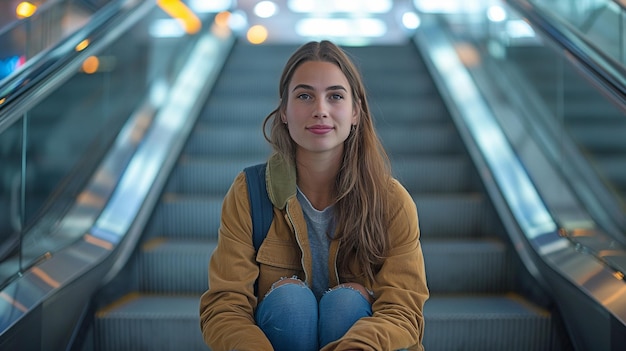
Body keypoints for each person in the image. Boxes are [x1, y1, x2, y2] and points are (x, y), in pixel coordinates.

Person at [199, 40, 429, 351]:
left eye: (335, 96)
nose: (320, 110)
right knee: (290, 300)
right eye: (305, 96)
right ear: (284, 111)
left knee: (346, 304)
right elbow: (225, 306)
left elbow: (403, 311)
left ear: (356, 112)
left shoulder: (390, 202)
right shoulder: (249, 193)